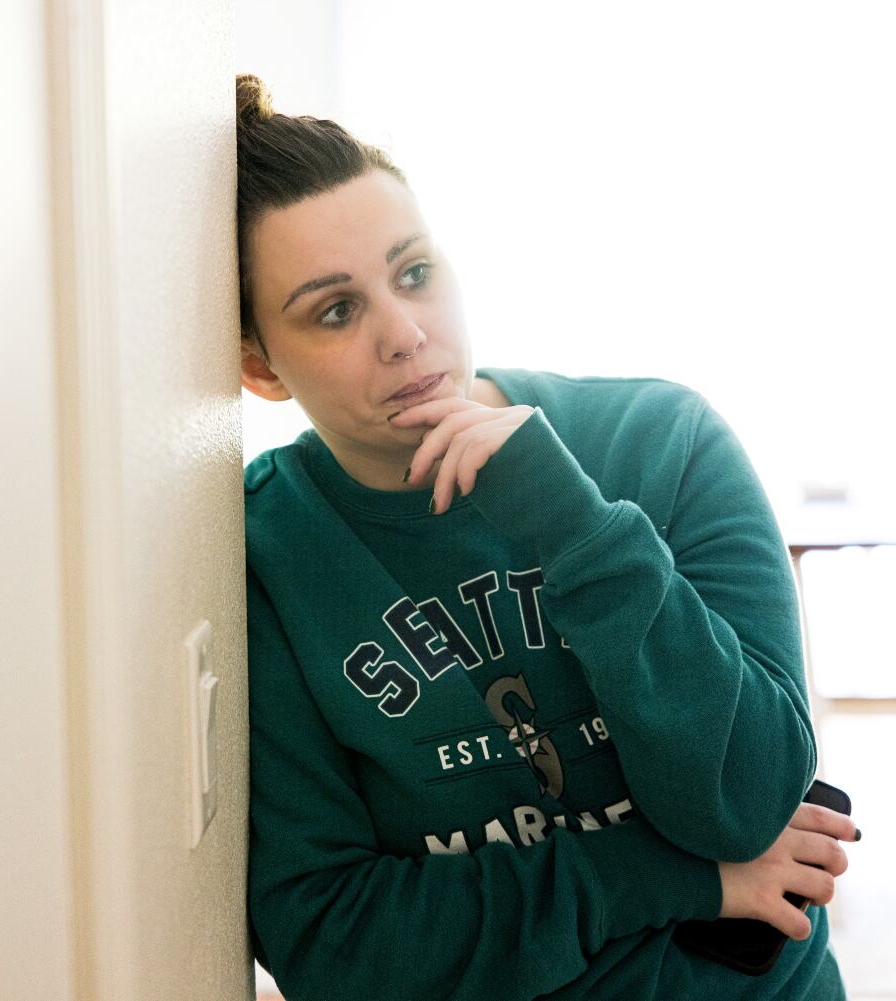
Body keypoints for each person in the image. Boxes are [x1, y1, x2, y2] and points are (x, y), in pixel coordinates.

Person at [236, 73, 856, 1001]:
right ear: (260, 367)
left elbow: (751, 796)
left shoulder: (663, 442)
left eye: (414, 273)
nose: (405, 335)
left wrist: (576, 525)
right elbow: (334, 941)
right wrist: (678, 876)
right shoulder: (267, 551)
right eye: (336, 309)